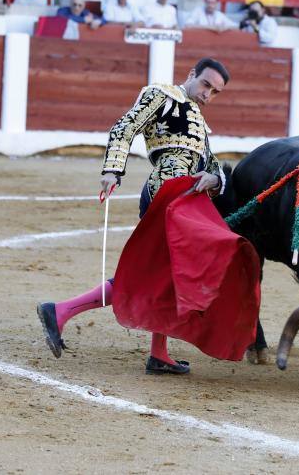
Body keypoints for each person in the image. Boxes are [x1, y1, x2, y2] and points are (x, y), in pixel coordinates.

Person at [37, 58, 233, 376]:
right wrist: (113, 169)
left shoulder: (198, 120)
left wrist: (216, 179)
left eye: (216, 92)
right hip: (165, 193)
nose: (208, 94)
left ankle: (158, 353)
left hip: (187, 199)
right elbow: (126, 126)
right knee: (155, 275)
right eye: (206, 85)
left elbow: (208, 164)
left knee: (169, 276)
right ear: (192, 74)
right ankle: (60, 311)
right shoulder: (162, 95)